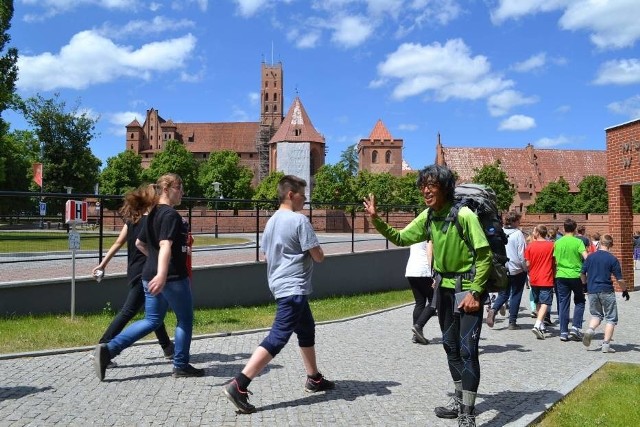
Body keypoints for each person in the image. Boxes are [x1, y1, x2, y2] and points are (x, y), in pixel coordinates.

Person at [363, 164, 491, 427]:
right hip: (443, 291)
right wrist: (376, 219)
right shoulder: (429, 217)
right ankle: (459, 400)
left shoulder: (465, 215)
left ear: (444, 187)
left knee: (468, 350)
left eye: (430, 185)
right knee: (450, 347)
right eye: (422, 186)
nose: (425, 190)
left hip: (467, 289)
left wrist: (476, 292)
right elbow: (400, 238)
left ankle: (468, 413)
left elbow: (485, 255)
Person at [222, 175, 334, 414]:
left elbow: (266, 255)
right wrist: (316, 251)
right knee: (277, 337)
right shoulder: (298, 220)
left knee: (306, 329)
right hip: (294, 288)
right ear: (291, 195)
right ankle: (239, 385)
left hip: (282, 286)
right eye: (303, 196)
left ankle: (313, 378)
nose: (305, 200)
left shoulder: (271, 221)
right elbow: (318, 256)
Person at [93, 173, 203, 380]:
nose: (182, 192)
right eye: (180, 187)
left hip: (147, 274)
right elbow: (164, 244)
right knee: (185, 319)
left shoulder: (151, 214)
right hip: (171, 278)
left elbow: (140, 244)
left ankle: (108, 349)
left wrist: (154, 262)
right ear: (168, 189)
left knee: (151, 320)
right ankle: (180, 365)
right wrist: (162, 272)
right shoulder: (170, 215)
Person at [91, 185, 174, 366]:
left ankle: (168, 348)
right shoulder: (152, 221)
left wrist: (103, 264)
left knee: (153, 313)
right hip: (146, 272)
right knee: (130, 310)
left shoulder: (132, 220)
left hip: (134, 270)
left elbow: (118, 243)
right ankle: (103, 346)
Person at [580, 235, 625, 353]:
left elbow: (582, 273)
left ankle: (590, 330)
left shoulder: (590, 257)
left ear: (599, 243)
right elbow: (619, 279)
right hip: (607, 290)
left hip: (592, 290)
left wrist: (584, 285)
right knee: (611, 318)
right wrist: (624, 290)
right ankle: (606, 345)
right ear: (611, 245)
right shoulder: (612, 259)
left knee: (596, 315)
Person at [486, 211, 528, 330]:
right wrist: (525, 268)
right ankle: (512, 322)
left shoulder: (500, 232)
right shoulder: (518, 234)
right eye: (518, 221)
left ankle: (493, 310)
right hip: (516, 268)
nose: (519, 223)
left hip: (503, 267)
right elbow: (521, 254)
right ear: (514, 221)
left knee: (503, 294)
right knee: (516, 294)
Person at [553, 218, 588, 342]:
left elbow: (555, 260)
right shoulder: (578, 242)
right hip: (575, 275)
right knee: (579, 301)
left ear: (564, 228)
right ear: (574, 229)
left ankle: (563, 332)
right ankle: (575, 327)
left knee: (563, 303)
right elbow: (586, 257)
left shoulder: (558, 242)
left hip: (561, 275)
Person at [524, 225, 556, 340]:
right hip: (546, 277)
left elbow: (527, 264)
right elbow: (554, 261)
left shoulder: (530, 246)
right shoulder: (551, 245)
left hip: (534, 277)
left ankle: (541, 325)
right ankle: (538, 324)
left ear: (537, 233)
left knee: (537, 301)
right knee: (545, 302)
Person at [405, 241, 436, 344]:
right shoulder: (428, 233)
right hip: (424, 271)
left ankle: (416, 335)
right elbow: (430, 252)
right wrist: (433, 273)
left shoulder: (415, 233)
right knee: (435, 301)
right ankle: (418, 326)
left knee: (419, 302)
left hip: (411, 270)